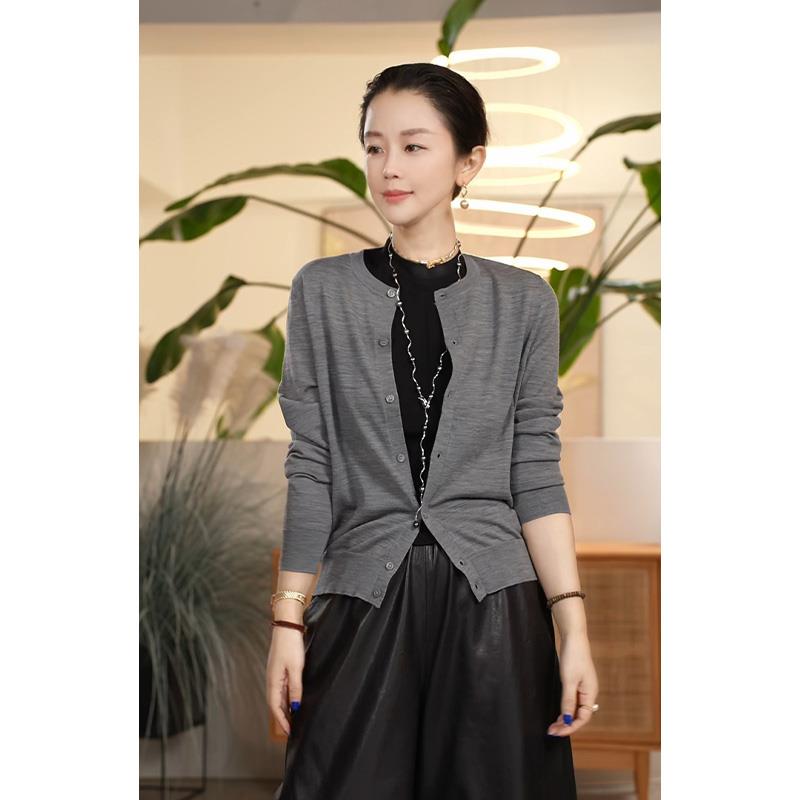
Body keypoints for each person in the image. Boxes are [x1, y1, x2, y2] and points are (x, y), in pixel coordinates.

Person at [267, 62, 599, 800]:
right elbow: (312, 462)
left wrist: (571, 626)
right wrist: (288, 621)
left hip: (494, 603)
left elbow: (534, 470)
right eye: (374, 146)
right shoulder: (321, 291)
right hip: (362, 595)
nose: (389, 167)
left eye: (414, 146)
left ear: (467, 162)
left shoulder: (524, 302)